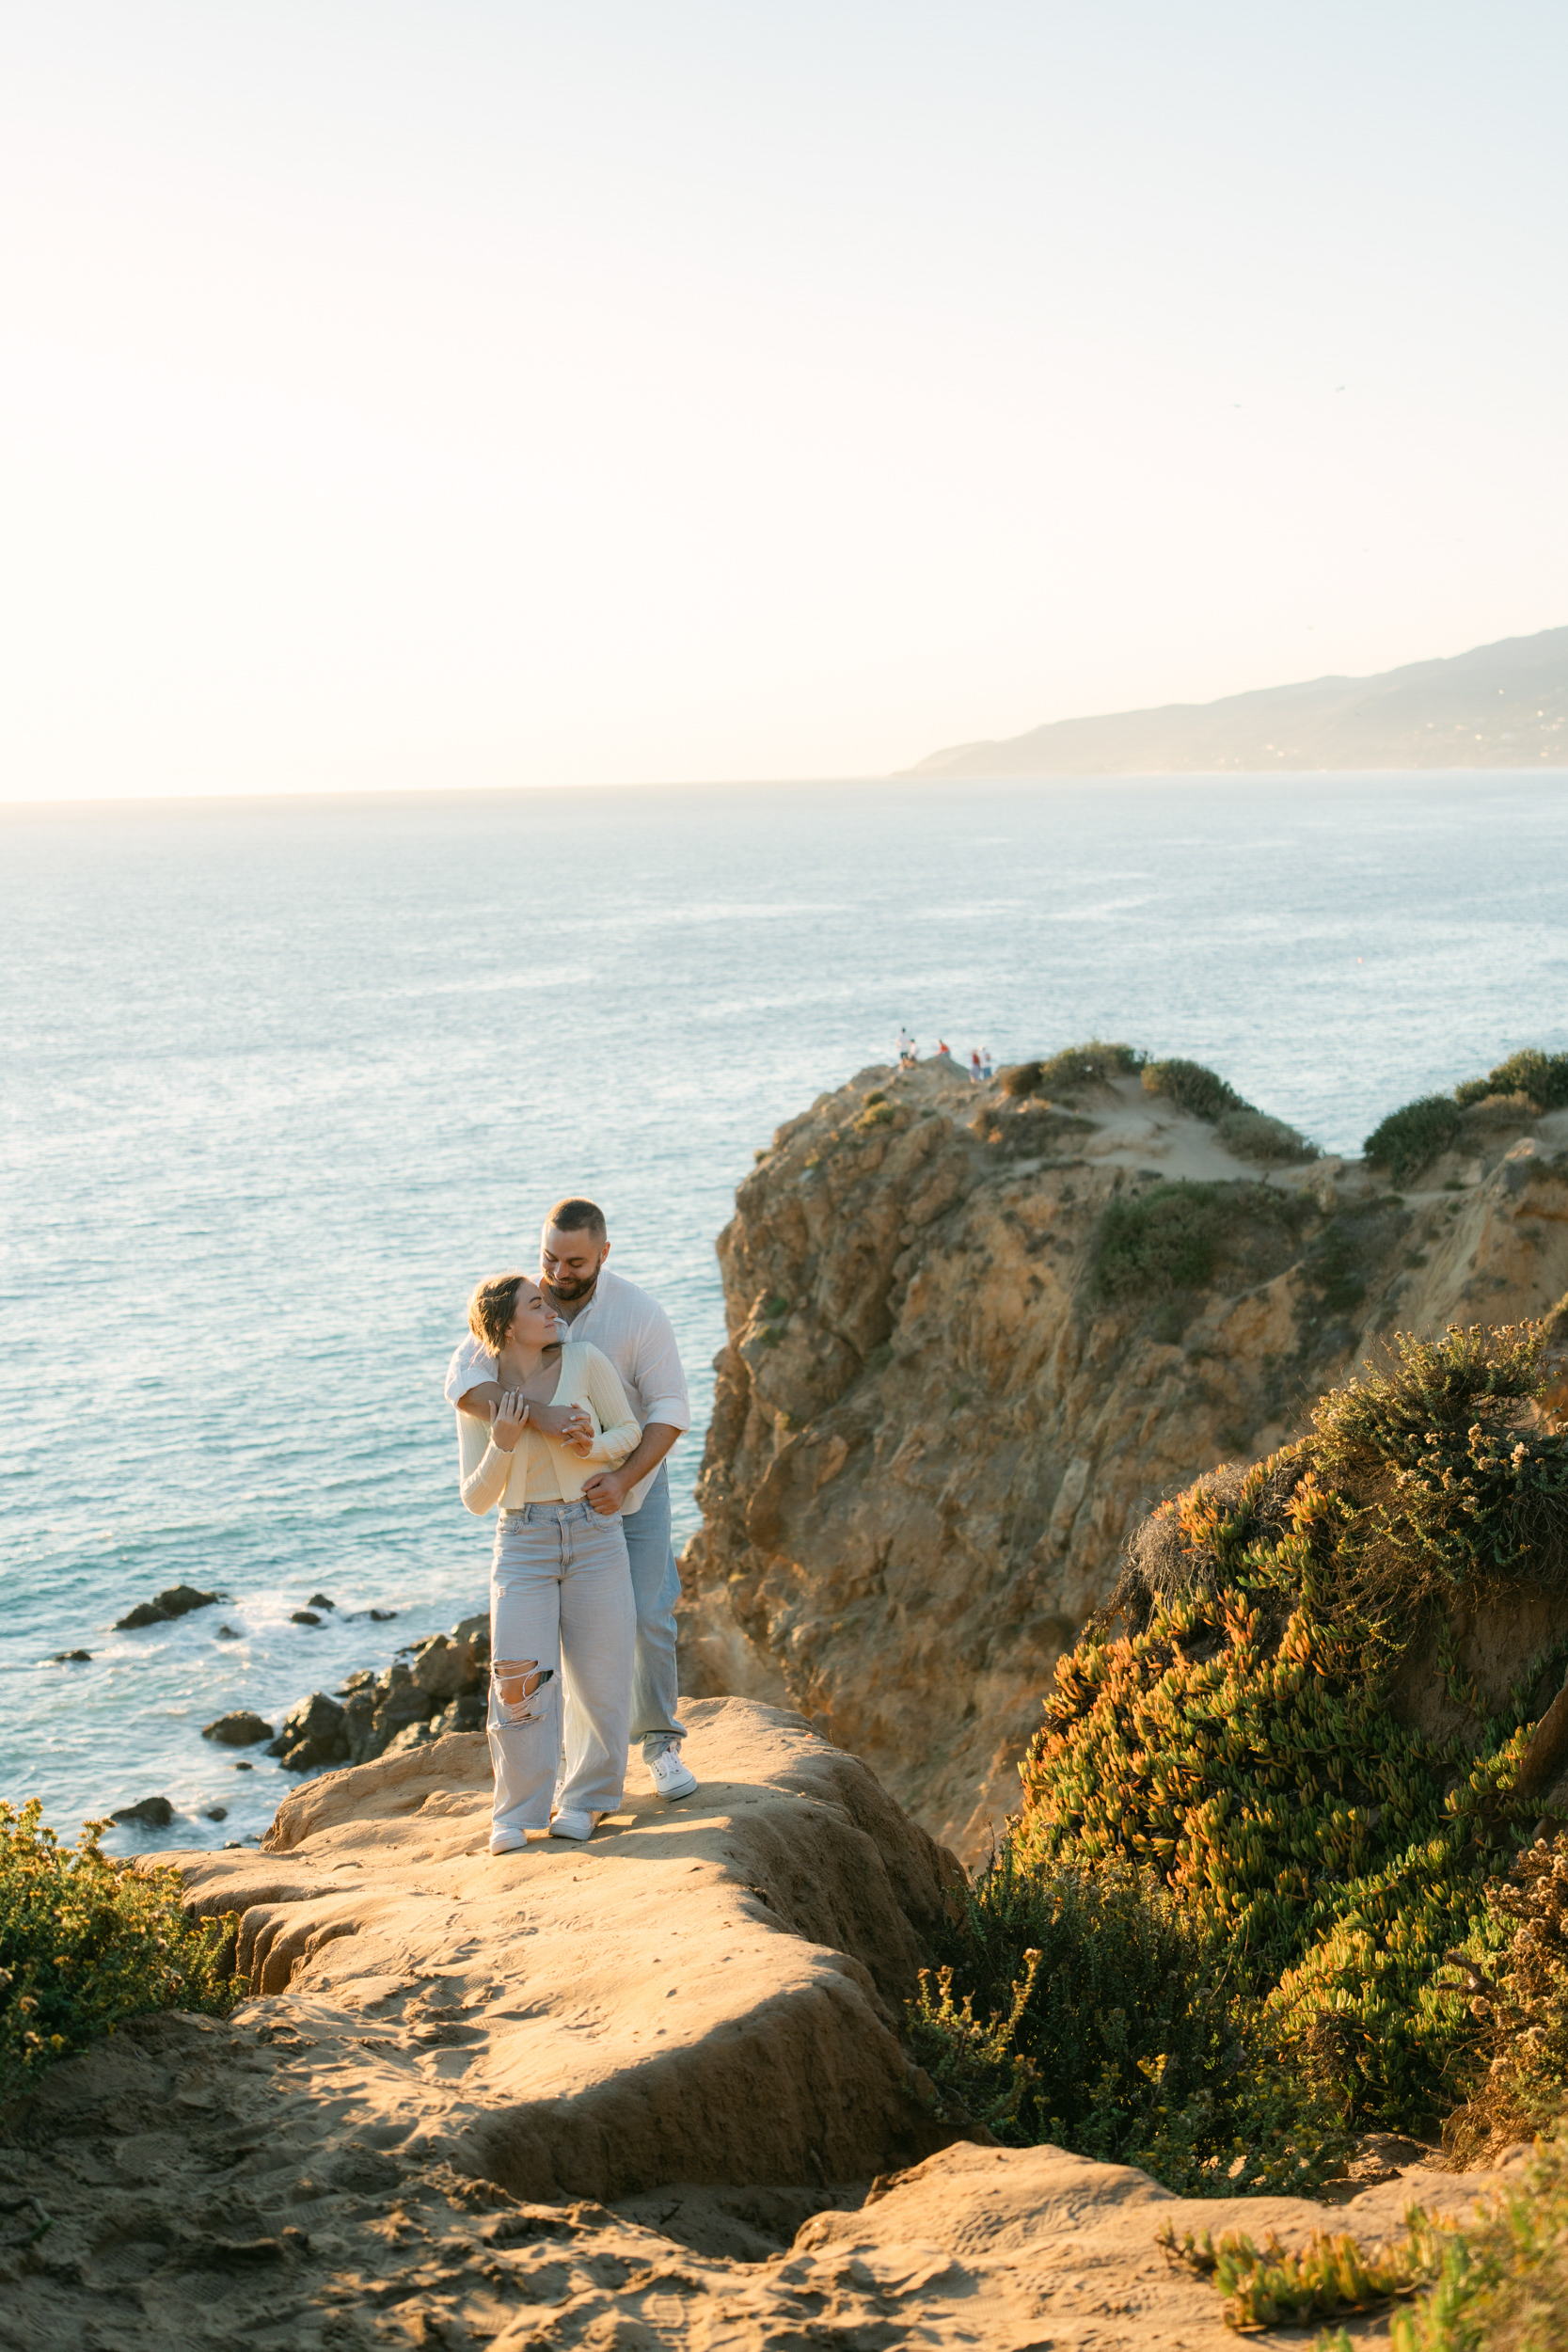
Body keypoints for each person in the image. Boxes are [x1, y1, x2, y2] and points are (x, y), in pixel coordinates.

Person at [445, 1197, 699, 1803]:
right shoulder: (519, 1308)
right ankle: (565, 1775)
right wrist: (544, 1418)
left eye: (576, 1262)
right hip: (551, 1511)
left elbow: (669, 1412)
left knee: (645, 1613)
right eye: (549, 1258)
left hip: (631, 1477)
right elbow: (465, 1386)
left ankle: (661, 1746)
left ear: (603, 1255)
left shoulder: (639, 1313)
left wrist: (623, 1479)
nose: (559, 1274)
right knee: (566, 1640)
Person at [456, 1269, 641, 1856]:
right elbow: (476, 1499)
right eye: (537, 1304)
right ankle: (516, 1811)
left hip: (594, 1535)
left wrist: (595, 1447)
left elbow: (629, 1433)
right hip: (523, 1542)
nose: (551, 1307)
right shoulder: (483, 1396)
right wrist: (504, 1441)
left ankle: (586, 1801)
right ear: (509, 1326)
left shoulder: (585, 1360)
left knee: (603, 1681)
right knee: (518, 1682)